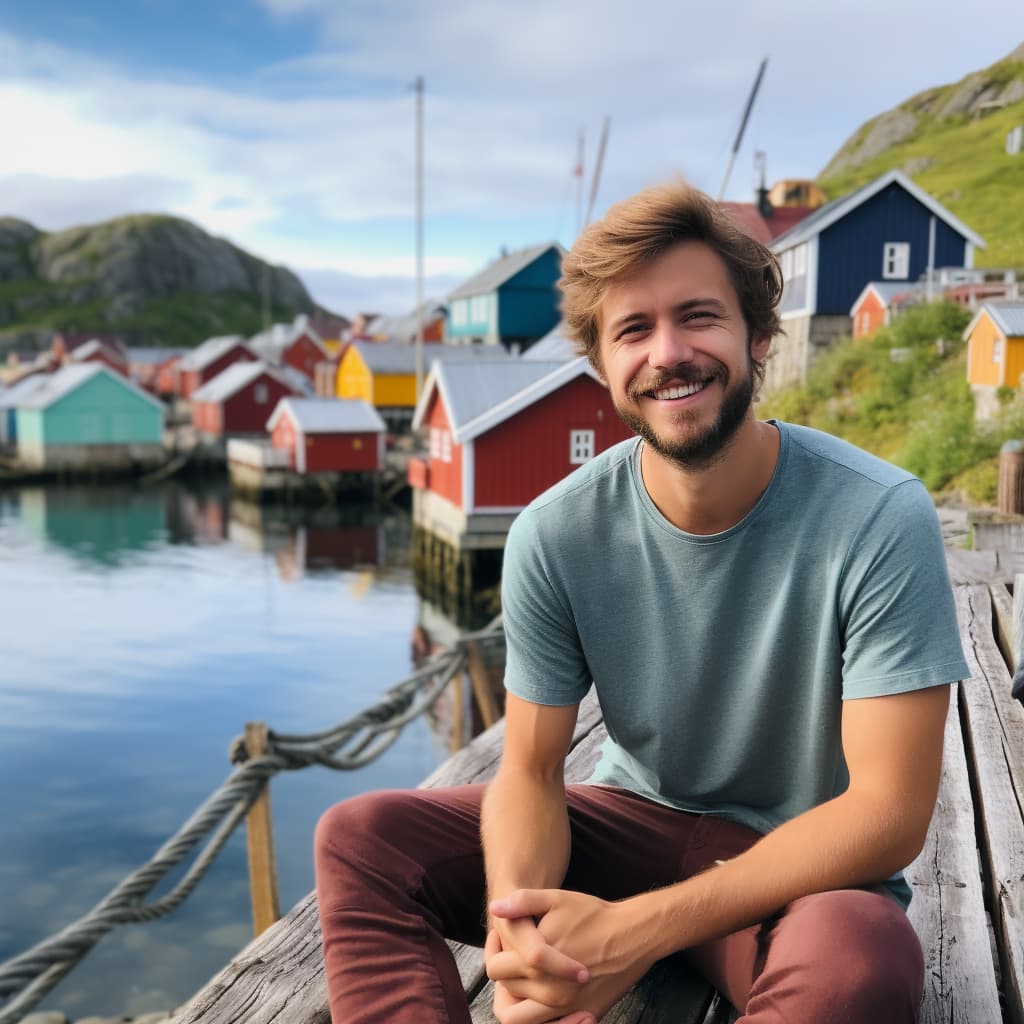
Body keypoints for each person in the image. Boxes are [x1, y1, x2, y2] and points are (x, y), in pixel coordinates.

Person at [314, 179, 969, 1024]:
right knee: (361, 838)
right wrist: (526, 940)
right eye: (633, 329)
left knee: (858, 963)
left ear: (758, 335)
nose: (667, 353)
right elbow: (530, 769)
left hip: (795, 863)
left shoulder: (877, 516)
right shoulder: (556, 533)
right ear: (601, 365)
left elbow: (889, 814)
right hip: (631, 824)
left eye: (698, 316)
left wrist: (637, 931)